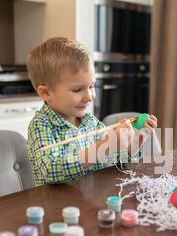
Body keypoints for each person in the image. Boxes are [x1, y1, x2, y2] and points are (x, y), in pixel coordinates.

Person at [26, 37, 158, 185]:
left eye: (91, 86)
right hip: (56, 205)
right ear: (46, 93)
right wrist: (104, 146)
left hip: (90, 199)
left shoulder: (90, 121)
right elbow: (51, 170)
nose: (89, 96)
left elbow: (115, 160)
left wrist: (132, 144)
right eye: (77, 90)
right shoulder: (41, 125)